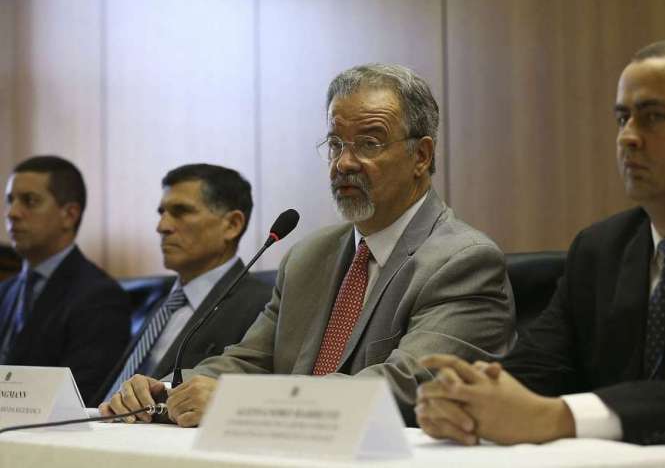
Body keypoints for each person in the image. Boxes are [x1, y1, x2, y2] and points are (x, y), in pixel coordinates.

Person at [102, 63, 515, 427]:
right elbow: (251, 360)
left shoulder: (462, 261)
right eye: (335, 144)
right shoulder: (308, 256)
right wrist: (171, 389)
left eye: (369, 143)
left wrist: (244, 404)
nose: (344, 163)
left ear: (421, 156)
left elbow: (406, 386)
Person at [416, 39, 665, 446]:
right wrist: (466, 399)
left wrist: (562, 417)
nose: (628, 138)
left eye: (654, 117)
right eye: (622, 119)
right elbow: (538, 368)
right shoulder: (601, 249)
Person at [96, 164, 271, 404]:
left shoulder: (262, 305)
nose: (162, 226)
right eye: (162, 212)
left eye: (181, 212)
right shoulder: (158, 302)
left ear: (232, 225)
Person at [0, 155, 130, 404]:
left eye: (29, 201)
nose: (13, 213)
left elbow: (80, 395)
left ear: (69, 214)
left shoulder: (100, 298)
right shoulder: (4, 291)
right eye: (10, 200)